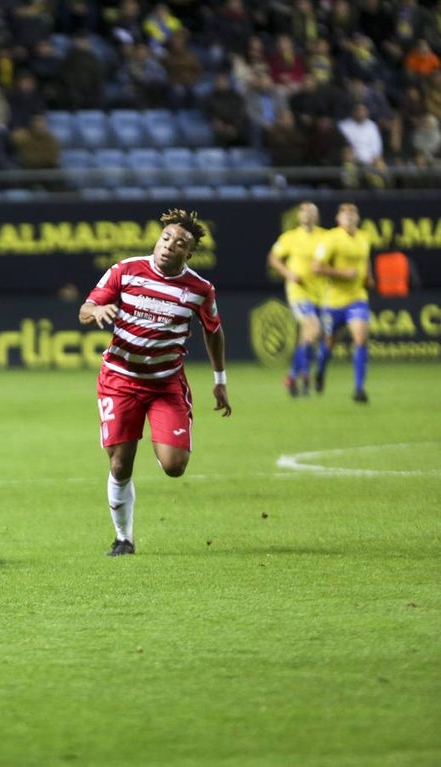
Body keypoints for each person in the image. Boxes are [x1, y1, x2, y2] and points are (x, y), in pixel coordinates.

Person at [78, 209, 231, 557]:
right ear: (157, 240)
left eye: (179, 244)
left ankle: (160, 433)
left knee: (175, 467)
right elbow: (85, 308)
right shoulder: (126, 270)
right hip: (120, 380)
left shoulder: (199, 290)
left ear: (188, 254)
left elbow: (214, 331)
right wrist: (96, 312)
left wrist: (219, 379)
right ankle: (123, 538)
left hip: (165, 384)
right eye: (166, 239)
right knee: (120, 464)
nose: (168, 247)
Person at [312, 203, 373, 403]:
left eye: (353, 213)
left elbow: (365, 260)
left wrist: (368, 277)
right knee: (329, 343)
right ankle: (320, 370)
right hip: (334, 301)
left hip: (357, 298)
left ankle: (359, 388)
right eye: (345, 214)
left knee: (361, 339)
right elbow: (316, 267)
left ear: (358, 217)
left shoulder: (364, 237)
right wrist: (342, 273)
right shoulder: (330, 238)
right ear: (338, 218)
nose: (349, 217)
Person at [266, 202, 326, 397]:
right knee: (313, 328)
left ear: (317, 216)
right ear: (299, 216)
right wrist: (288, 274)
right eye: (304, 211)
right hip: (298, 292)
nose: (307, 215)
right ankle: (303, 373)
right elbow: (273, 257)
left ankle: (294, 376)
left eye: (311, 212)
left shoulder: (325, 237)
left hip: (321, 293)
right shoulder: (290, 237)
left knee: (308, 336)